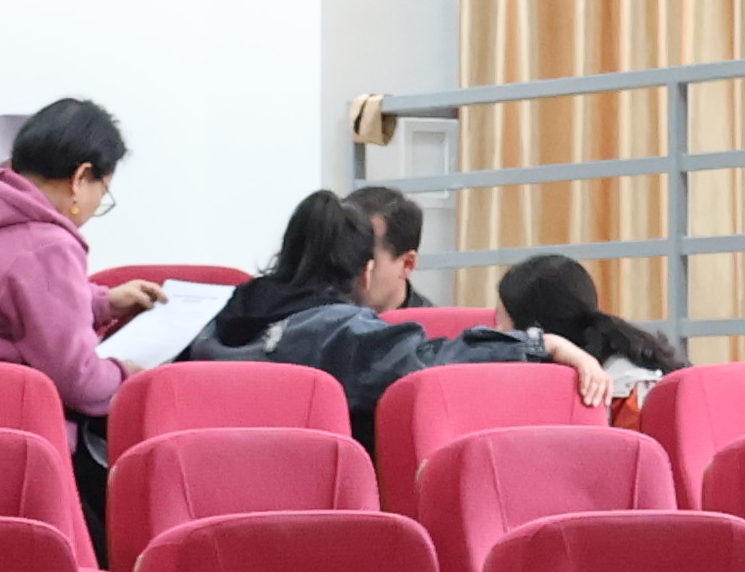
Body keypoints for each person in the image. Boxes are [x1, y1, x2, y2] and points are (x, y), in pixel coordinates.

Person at [184, 188, 600, 441]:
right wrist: (541, 343)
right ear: (365, 273)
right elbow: (433, 366)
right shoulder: (339, 332)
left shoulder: (214, 317)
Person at [0, 97, 164, 466]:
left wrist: (101, 302)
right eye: (102, 191)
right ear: (80, 178)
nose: (96, 206)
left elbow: (7, 297)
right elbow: (78, 380)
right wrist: (129, 376)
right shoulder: (45, 243)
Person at [492, 251, 680, 406]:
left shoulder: (623, 396)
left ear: (533, 332)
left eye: (501, 322)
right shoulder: (627, 359)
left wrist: (549, 344)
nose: (496, 331)